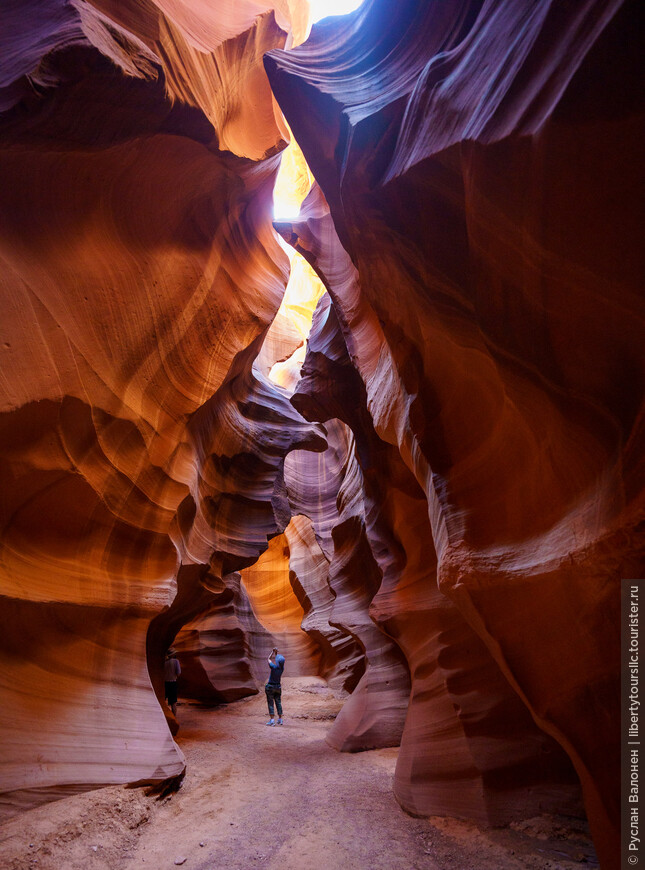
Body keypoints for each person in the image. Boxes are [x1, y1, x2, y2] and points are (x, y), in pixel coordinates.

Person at [265, 647, 285, 726]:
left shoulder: (273, 667)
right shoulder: (281, 668)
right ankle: (280, 719)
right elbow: (279, 661)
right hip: (278, 687)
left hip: (270, 687)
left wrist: (272, 652)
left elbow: (268, 659)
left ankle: (272, 720)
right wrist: (276, 653)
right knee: (278, 702)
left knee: (270, 703)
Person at [164, 648, 181, 715]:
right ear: (173, 654)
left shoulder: (164, 662)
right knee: (173, 702)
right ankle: (174, 717)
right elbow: (178, 673)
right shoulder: (176, 661)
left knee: (163, 700)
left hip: (165, 683)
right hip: (173, 683)